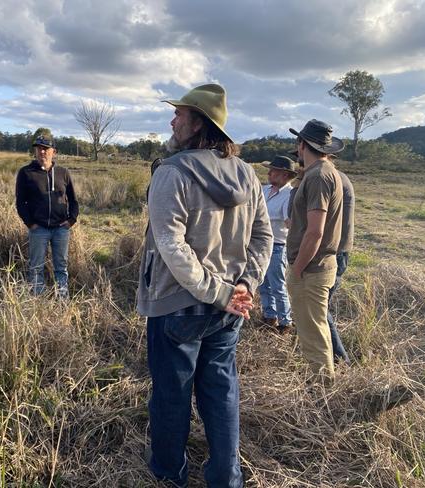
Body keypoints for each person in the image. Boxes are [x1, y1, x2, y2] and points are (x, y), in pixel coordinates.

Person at [137, 84, 273, 487]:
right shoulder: (247, 174)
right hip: (231, 305)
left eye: (180, 114)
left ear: (199, 124)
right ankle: (226, 476)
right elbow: (264, 237)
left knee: (171, 393)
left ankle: (168, 472)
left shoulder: (171, 172)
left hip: (179, 303)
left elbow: (170, 246)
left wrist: (222, 291)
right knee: (221, 389)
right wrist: (244, 285)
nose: (172, 120)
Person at [286, 119, 344, 383]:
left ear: (301, 145)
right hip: (316, 266)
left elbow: (315, 232)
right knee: (314, 328)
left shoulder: (319, 176)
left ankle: (322, 389)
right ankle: (322, 382)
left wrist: (297, 269)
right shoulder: (322, 172)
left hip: (311, 269)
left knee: (313, 332)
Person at [15, 135, 79, 298]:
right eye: (38, 148)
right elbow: (21, 202)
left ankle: (62, 298)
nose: (42, 151)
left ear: (54, 152)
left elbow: (73, 199)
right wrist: (30, 224)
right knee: (36, 266)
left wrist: (71, 220)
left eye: (45, 148)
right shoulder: (26, 173)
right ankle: (38, 299)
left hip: (60, 229)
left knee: (61, 266)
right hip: (39, 229)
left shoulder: (63, 173)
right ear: (35, 151)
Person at [258, 155, 297, 334]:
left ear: (284, 175)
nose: (269, 173)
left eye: (273, 170)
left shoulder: (289, 195)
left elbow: (289, 222)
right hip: (261, 244)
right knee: (262, 284)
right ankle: (269, 316)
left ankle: (285, 322)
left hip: (277, 245)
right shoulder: (265, 190)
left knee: (277, 285)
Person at [327, 169, 354, 364]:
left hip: (330, 253)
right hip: (338, 251)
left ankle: (339, 359)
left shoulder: (325, 177)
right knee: (320, 307)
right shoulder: (339, 178)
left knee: (319, 308)